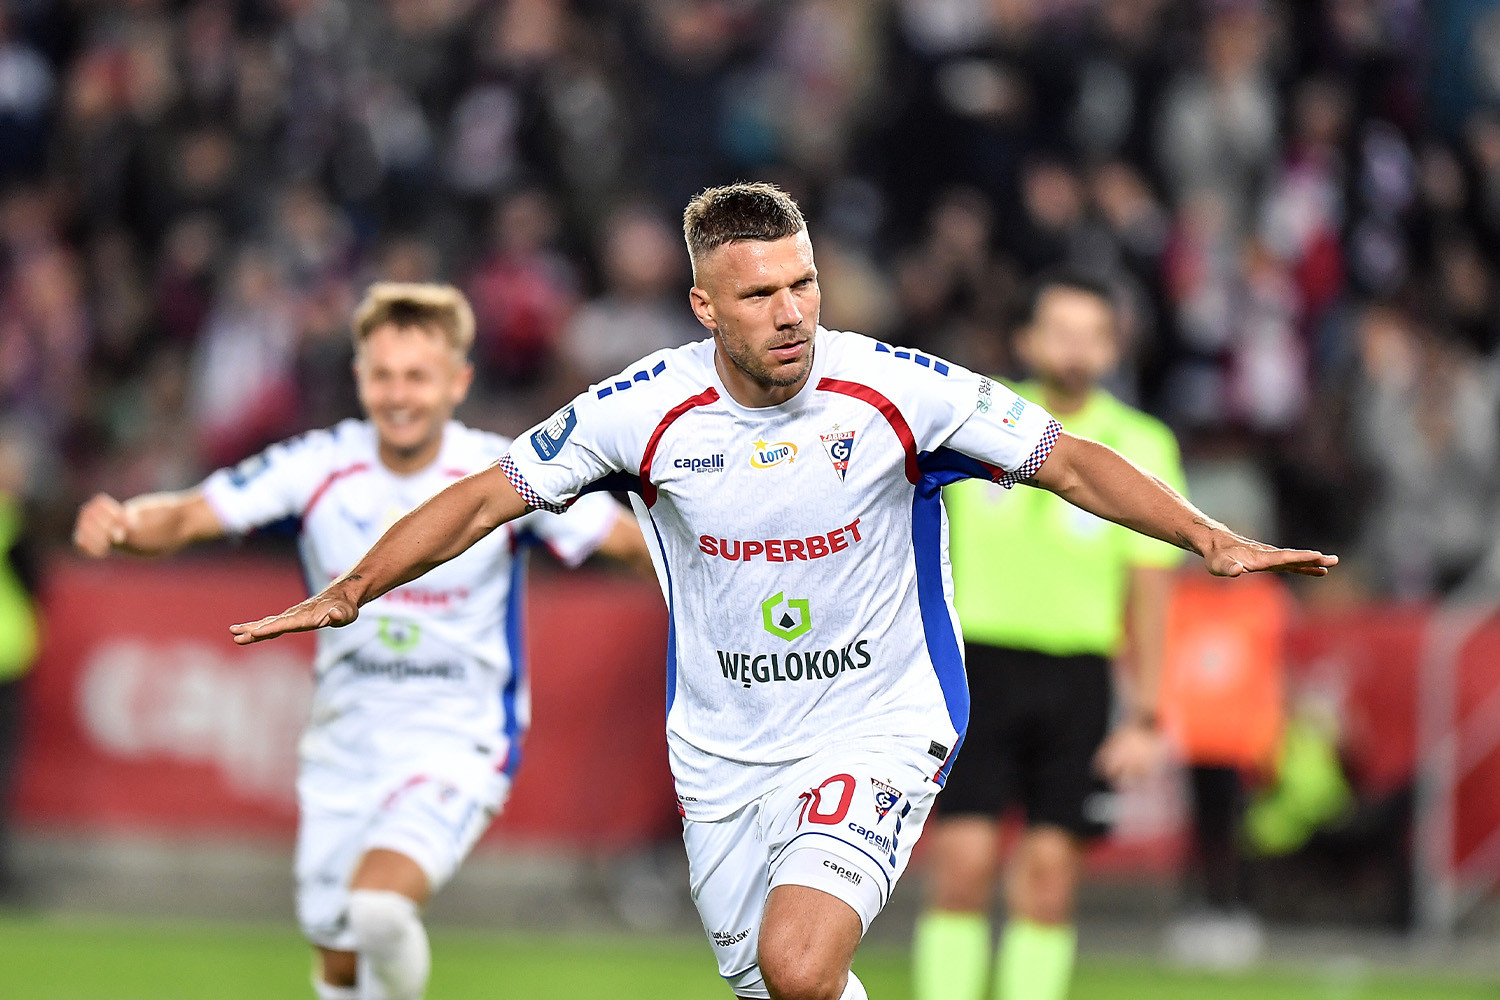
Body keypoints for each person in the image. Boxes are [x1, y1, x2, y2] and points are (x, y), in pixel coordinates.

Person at [228, 184, 1336, 1000]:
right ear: (706, 306)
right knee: (777, 987)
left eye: (805, 283)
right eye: (761, 295)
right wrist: (356, 586)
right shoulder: (640, 409)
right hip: (721, 749)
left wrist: (1204, 538)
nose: (793, 311)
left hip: (880, 721)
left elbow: (1074, 458)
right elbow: (484, 498)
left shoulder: (899, 390)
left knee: (799, 964)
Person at [72, 282, 651, 1000]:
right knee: (339, 961)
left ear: (457, 381)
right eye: (383, 375)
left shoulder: (504, 473)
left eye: (417, 376)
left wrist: (705, 563)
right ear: (359, 378)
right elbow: (193, 515)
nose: (399, 394)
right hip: (343, 747)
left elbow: (624, 541)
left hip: (458, 738)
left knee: (378, 908)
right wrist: (128, 525)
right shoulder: (319, 466)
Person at [911, 271, 1183, 1000]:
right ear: (1027, 339)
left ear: (1112, 346)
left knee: (1049, 881)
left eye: (1093, 334)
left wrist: (1148, 714)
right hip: (976, 674)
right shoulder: (975, 420)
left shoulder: (1142, 445)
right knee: (961, 865)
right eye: (1061, 331)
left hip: (1078, 680)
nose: (1076, 349)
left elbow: (1150, 589)